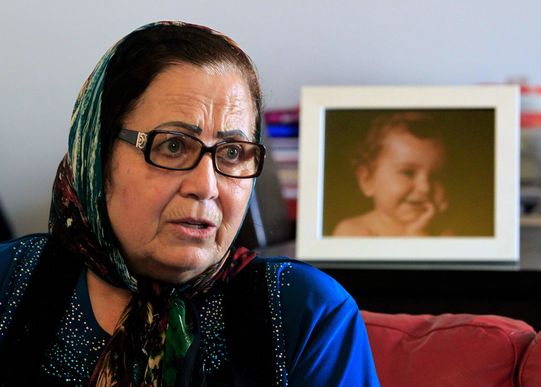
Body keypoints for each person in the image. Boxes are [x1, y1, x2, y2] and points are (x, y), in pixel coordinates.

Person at [0, 22, 379, 386]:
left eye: (232, 152)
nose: (206, 186)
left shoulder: (304, 312)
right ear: (96, 155)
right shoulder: (10, 283)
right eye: (173, 146)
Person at [333, 112, 451, 237]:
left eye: (435, 176)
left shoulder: (444, 232)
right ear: (367, 180)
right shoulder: (354, 231)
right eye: (408, 173)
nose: (425, 187)